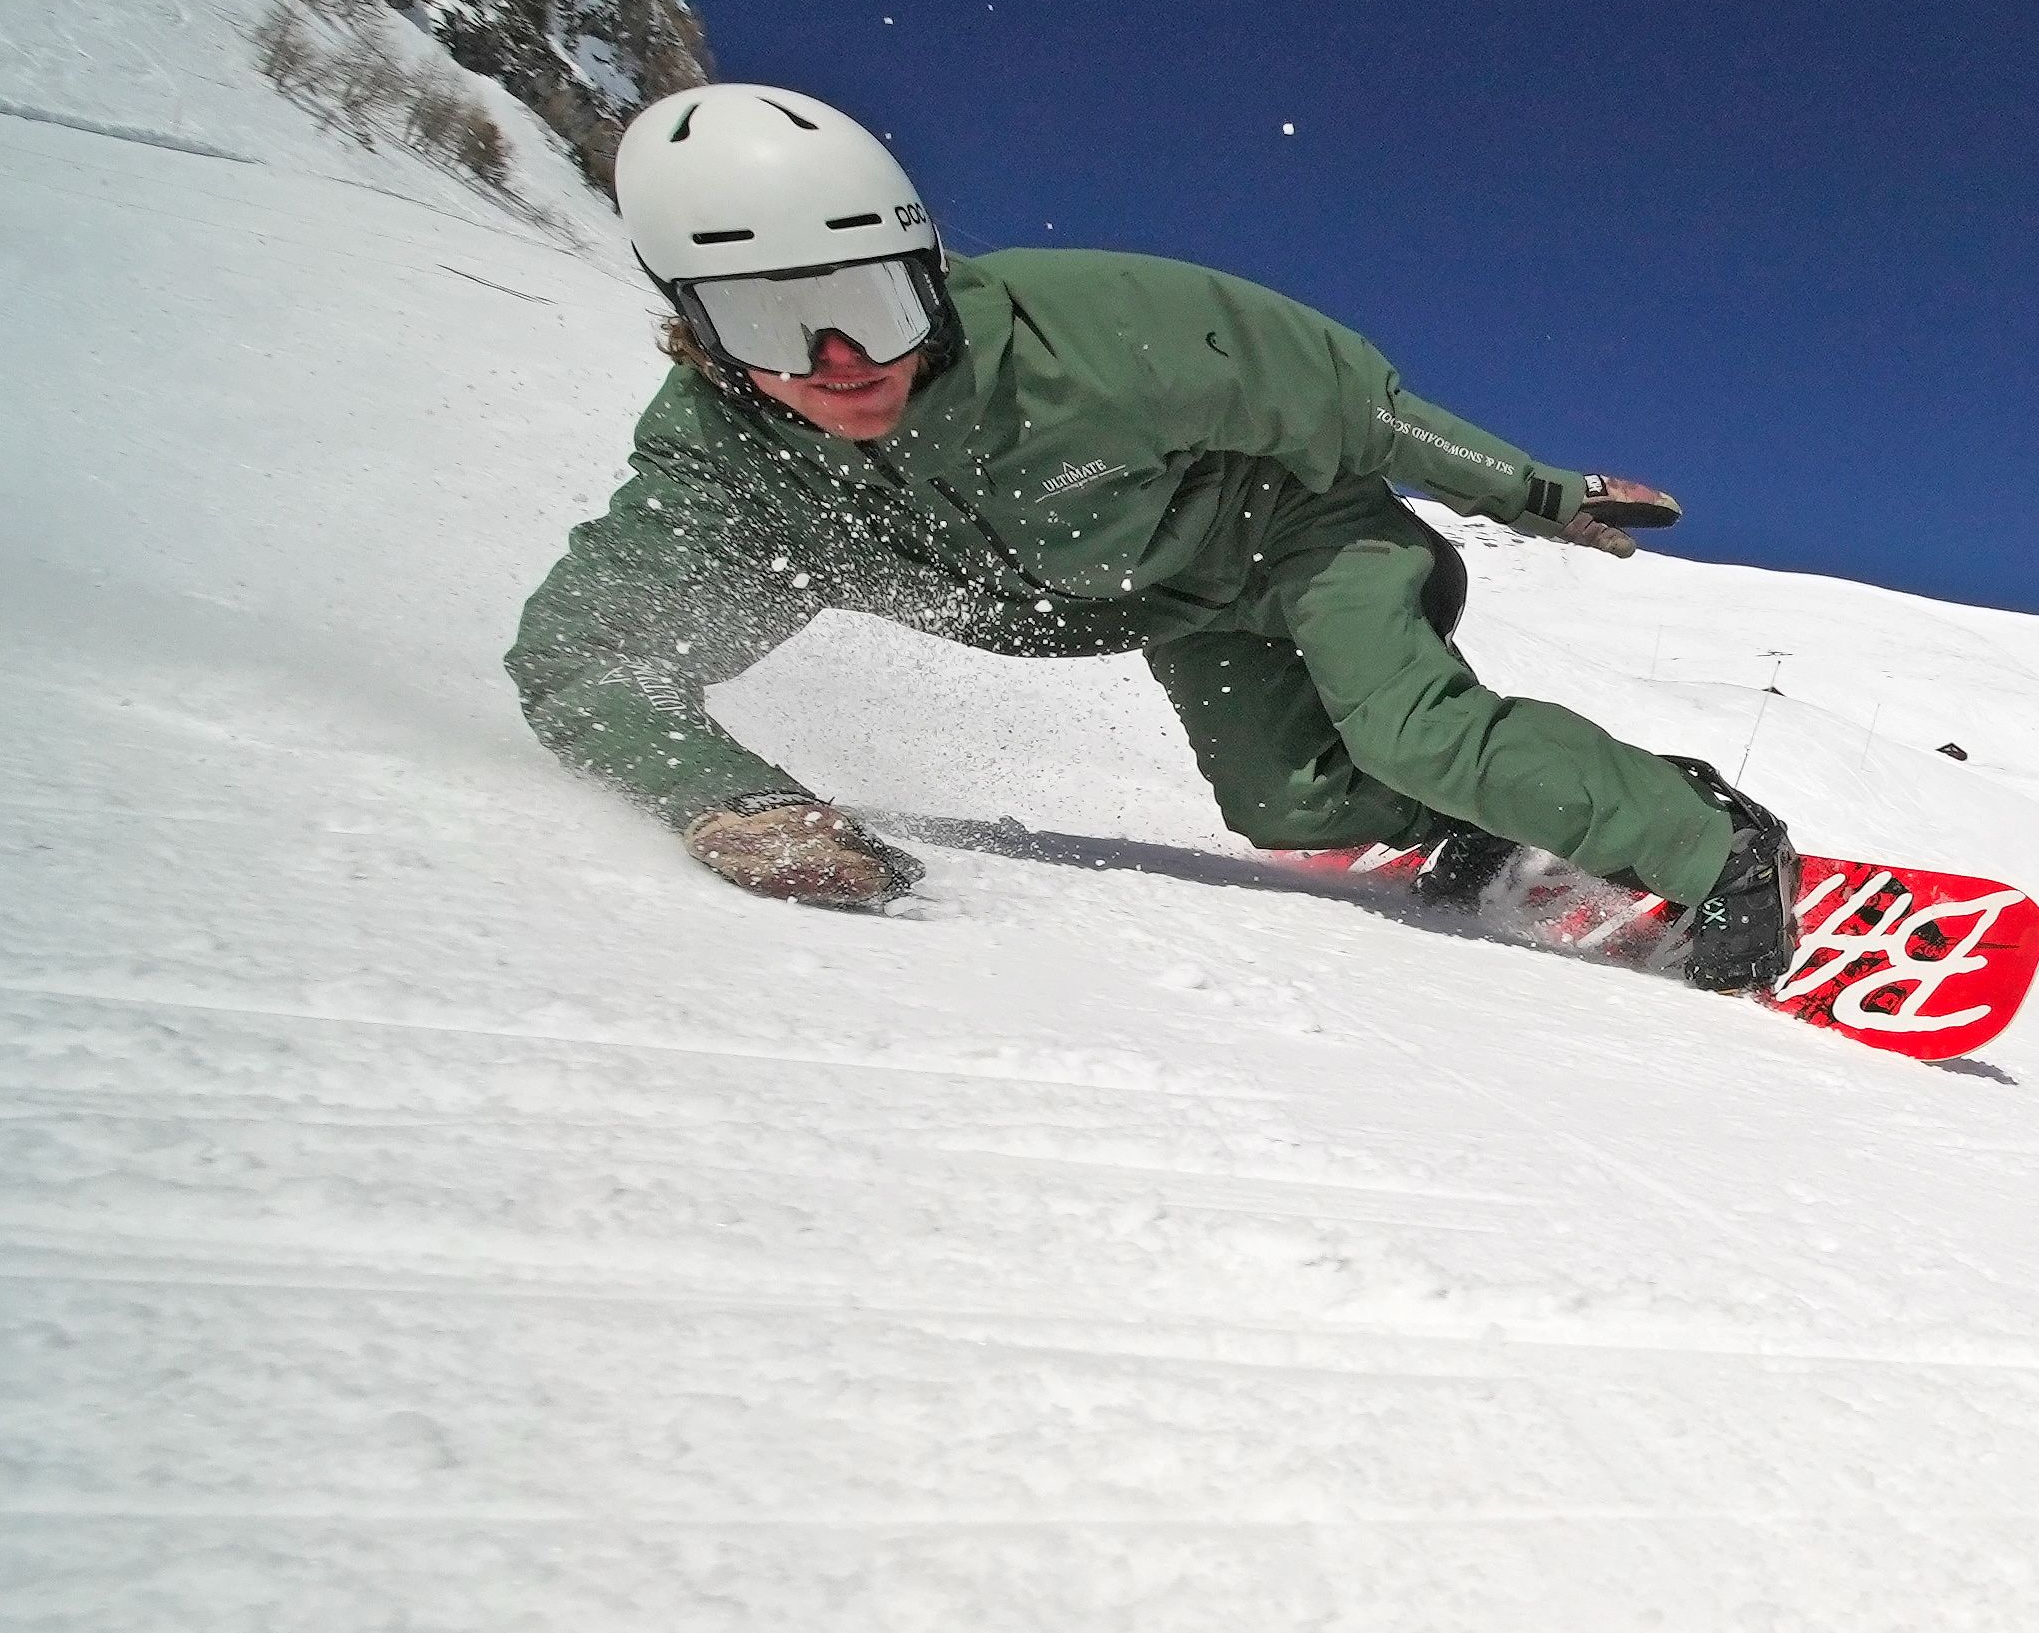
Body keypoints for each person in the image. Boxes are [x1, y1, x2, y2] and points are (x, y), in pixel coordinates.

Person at [506, 83, 1796, 989]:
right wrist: (732, 803)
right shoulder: (729, 470)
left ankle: (1713, 840)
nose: (841, 359)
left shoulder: (1090, 328)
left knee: (1411, 729)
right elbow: (584, 664)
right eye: (771, 326)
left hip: (1308, 537)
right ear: (694, 331)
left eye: (873, 304)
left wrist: (1538, 493)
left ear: (925, 269)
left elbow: (1351, 406)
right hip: (1178, 605)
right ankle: (1492, 818)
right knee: (1286, 806)